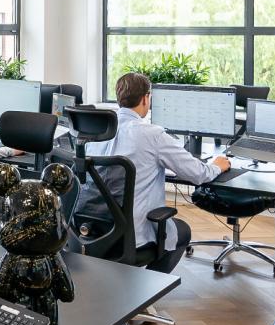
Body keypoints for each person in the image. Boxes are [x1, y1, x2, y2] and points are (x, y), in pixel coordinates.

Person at [83, 72, 228, 253]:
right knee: (183, 231)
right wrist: (217, 166)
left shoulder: (96, 130)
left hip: (92, 227)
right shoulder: (152, 135)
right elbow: (198, 174)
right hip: (133, 234)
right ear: (145, 98)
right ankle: (151, 280)